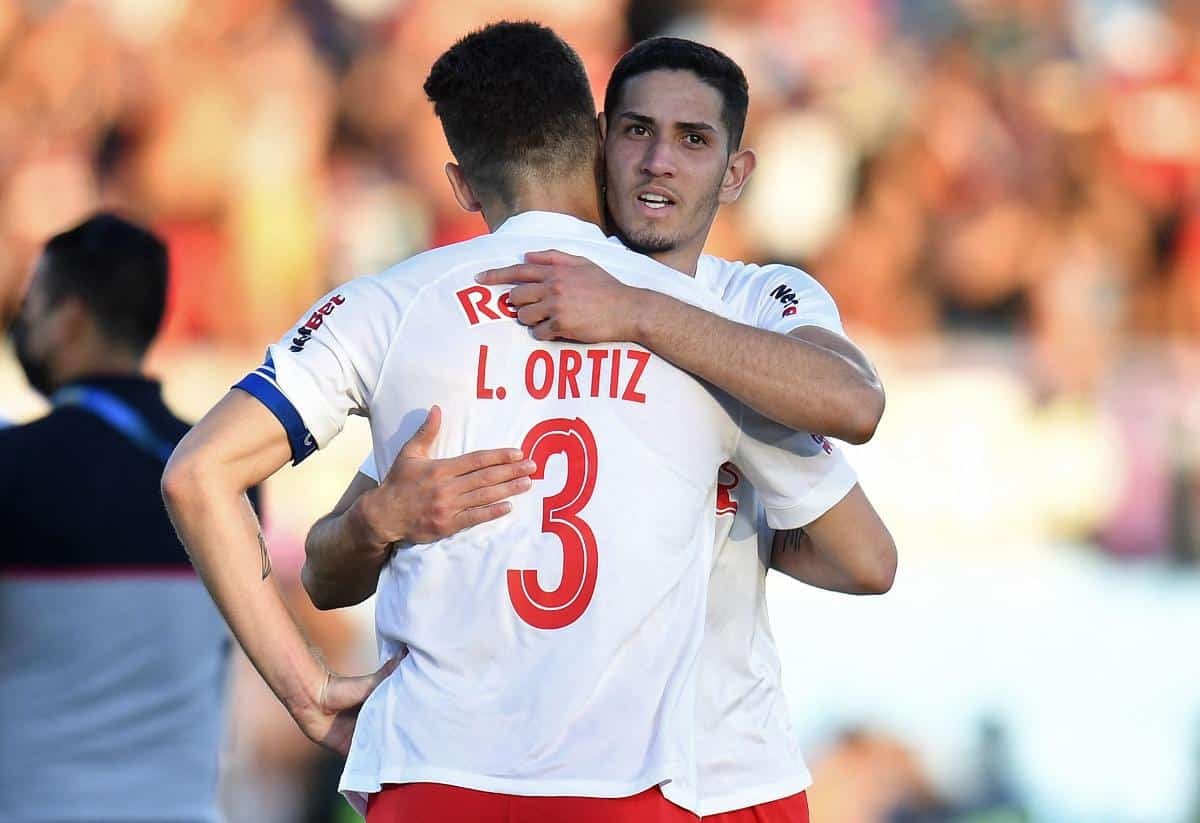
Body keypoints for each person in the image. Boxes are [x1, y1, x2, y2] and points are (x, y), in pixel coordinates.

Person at [162, 21, 864, 823]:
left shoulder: (392, 306)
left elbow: (197, 474)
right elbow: (865, 547)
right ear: (597, 142)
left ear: (462, 185)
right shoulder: (705, 326)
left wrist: (309, 690)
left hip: (434, 774)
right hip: (635, 784)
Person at [0, 213, 252, 823]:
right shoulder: (233, 472)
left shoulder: (14, 466)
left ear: (72, 318)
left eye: (32, 304)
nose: (20, 321)